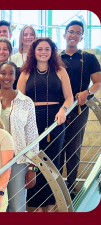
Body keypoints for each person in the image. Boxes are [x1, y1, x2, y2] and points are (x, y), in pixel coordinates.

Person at [17, 37, 74, 212]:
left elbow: (70, 97)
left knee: (53, 162)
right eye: (39, 49)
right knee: (34, 162)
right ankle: (36, 206)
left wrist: (64, 110)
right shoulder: (26, 72)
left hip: (55, 120)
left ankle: (50, 206)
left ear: (52, 51)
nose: (43, 52)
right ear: (33, 52)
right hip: (32, 119)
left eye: (47, 49)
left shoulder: (60, 71)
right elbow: (19, 99)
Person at [59, 20, 101, 197]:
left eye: (77, 32)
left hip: (79, 108)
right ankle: (56, 189)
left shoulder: (88, 58)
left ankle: (70, 187)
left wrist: (87, 92)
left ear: (81, 37)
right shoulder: (56, 58)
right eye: (70, 31)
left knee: (73, 149)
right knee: (57, 148)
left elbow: (98, 82)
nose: (73, 35)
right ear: (64, 34)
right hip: (58, 109)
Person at [0, 61, 40, 212]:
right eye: (3, 73)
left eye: (11, 73)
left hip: (18, 160)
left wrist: (33, 167)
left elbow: (32, 135)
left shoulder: (26, 102)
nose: (7, 77)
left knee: (17, 206)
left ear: (15, 76)